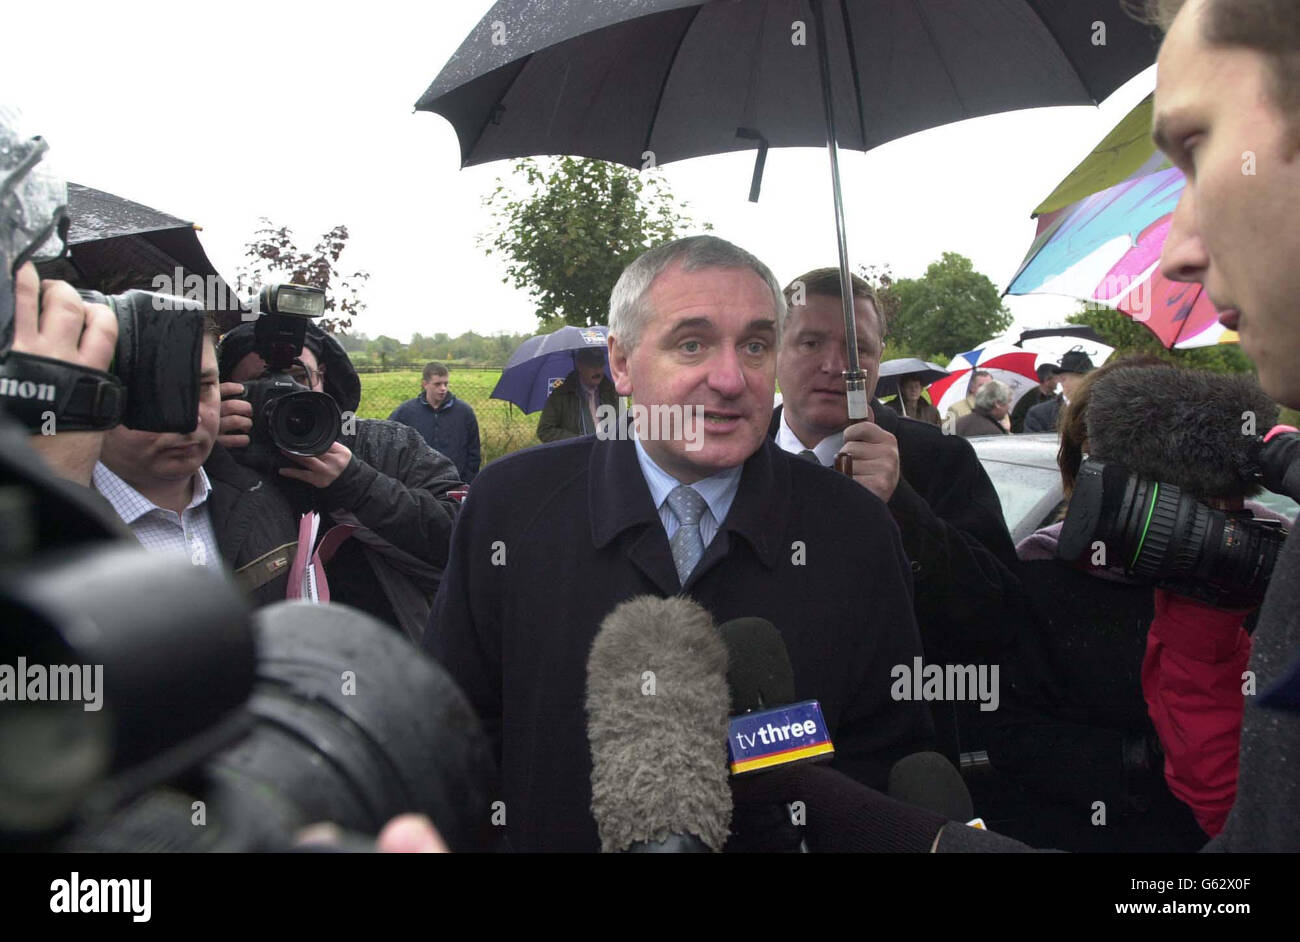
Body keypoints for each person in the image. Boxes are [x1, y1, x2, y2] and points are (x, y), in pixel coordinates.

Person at [424, 237, 934, 852]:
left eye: (754, 345)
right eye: (691, 343)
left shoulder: (854, 531)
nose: (730, 378)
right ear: (621, 362)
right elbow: (453, 740)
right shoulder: (511, 506)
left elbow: (887, 757)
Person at [771, 268, 1020, 674]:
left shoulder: (941, 459)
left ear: (879, 357)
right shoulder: (735, 457)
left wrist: (903, 508)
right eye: (811, 342)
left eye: (859, 349)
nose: (835, 365)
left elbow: (999, 616)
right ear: (774, 348)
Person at [218, 321, 463, 640]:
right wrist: (204, 453)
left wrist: (357, 484)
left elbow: (460, 534)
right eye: (261, 383)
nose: (284, 397)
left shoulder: (386, 445)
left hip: (385, 661)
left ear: (322, 377)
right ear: (227, 393)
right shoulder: (213, 462)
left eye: (297, 379)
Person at [88, 318, 301, 606]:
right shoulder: (43, 531)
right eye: (153, 391)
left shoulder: (263, 496)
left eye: (202, 387)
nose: (189, 417)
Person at [388, 361, 480, 483]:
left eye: (445, 384)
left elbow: (474, 450)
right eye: (437, 384)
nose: (443, 389)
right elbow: (388, 442)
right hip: (417, 484)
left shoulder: (464, 412)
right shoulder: (405, 412)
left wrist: (466, 481)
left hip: (454, 483)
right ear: (425, 384)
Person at [535, 346, 618, 441]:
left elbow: (620, 425)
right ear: (579, 366)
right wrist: (577, 441)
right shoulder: (561, 395)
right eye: (592, 366)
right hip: (577, 453)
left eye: (600, 365)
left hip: (606, 452)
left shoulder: (611, 392)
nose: (597, 371)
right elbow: (545, 430)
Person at [1023, 350, 1093, 433]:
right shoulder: (1039, 414)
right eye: (1084, 378)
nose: (1091, 384)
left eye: (1092, 379)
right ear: (1063, 380)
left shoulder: (1104, 409)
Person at [1010, 363, 1059, 433]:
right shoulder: (1028, 398)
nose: (1058, 381)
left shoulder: (1056, 398)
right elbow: (1015, 423)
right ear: (1047, 380)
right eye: (1056, 378)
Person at [940, 370, 990, 435]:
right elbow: (949, 435)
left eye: (989, 385)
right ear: (972, 388)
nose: (986, 389)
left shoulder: (998, 408)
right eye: (981, 386)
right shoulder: (955, 409)